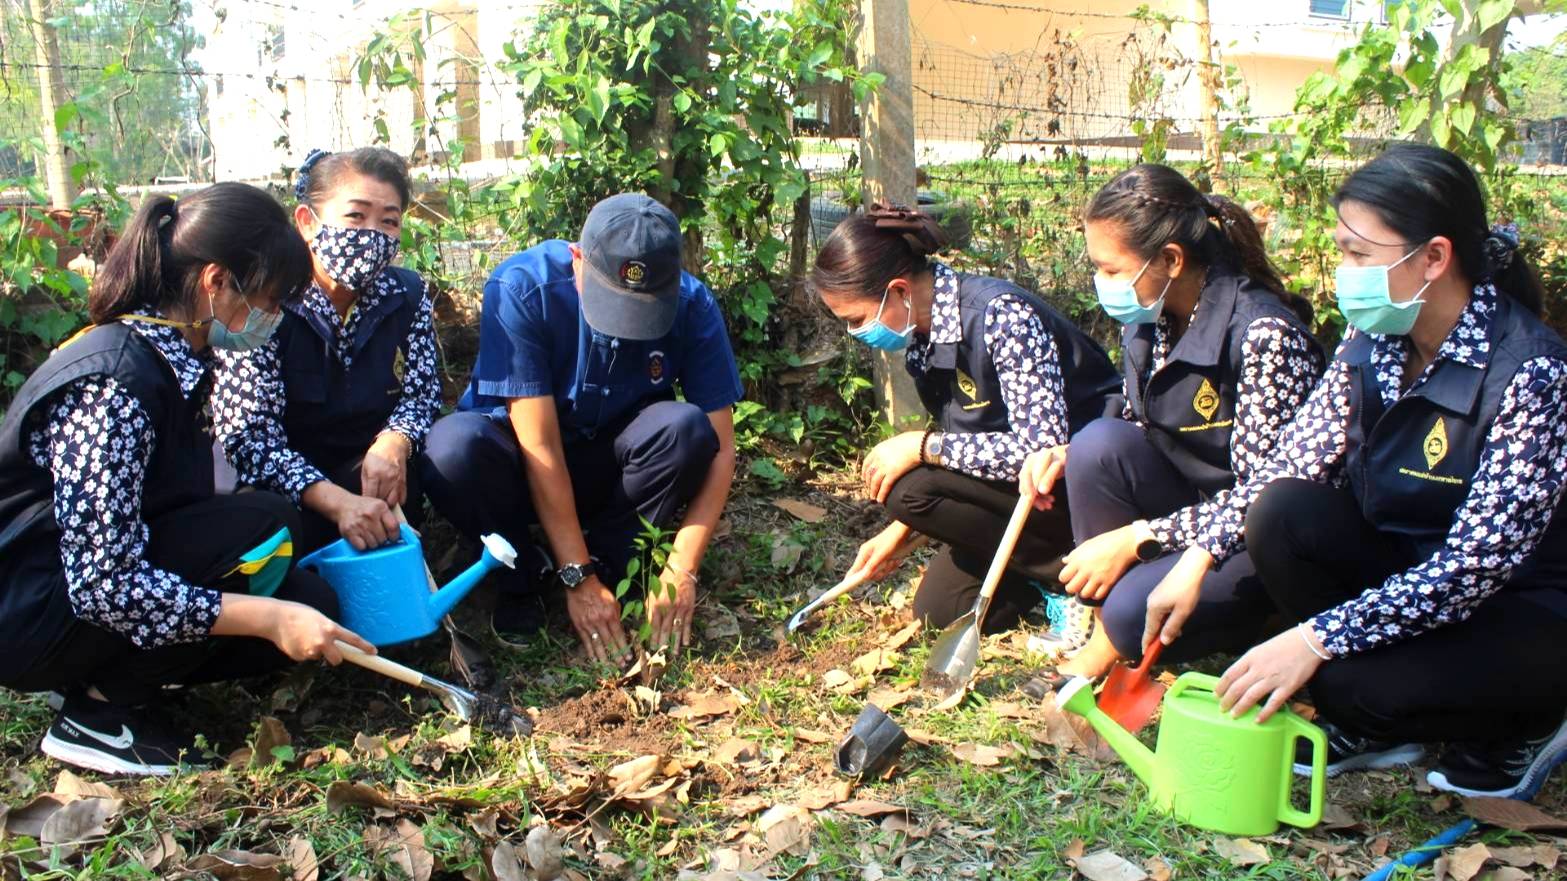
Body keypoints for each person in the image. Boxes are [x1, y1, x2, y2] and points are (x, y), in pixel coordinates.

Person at [1141, 144, 1567, 799]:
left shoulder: (1531, 372)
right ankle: (1383, 714)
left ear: (1434, 258)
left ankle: (1531, 721)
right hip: (1407, 570)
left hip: (1515, 608)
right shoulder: (1374, 339)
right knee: (1282, 511)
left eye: (1359, 254)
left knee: (1348, 684)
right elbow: (1293, 461)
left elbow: (1472, 569)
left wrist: (1316, 638)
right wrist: (1198, 555)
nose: (1345, 273)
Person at [0, 184, 375, 776]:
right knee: (264, 540)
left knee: (307, 594)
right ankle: (100, 713)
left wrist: (280, 608)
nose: (274, 318)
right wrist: (266, 618)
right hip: (34, 608)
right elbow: (102, 585)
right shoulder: (114, 387)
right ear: (216, 282)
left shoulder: (176, 360)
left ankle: (106, 672)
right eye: (269, 300)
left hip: (80, 590)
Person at [1017, 164, 1323, 682]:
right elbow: (1135, 422)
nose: (1101, 284)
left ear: (1171, 260)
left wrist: (1139, 536)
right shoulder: (1151, 316)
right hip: (1192, 510)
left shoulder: (1264, 335)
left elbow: (1265, 496)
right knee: (1095, 443)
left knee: (1130, 612)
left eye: (1111, 270)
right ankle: (1104, 633)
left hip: (1254, 537)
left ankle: (1254, 618)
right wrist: (1065, 456)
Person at [421, 193, 741, 661]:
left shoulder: (693, 303)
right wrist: (576, 575)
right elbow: (540, 446)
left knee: (687, 429)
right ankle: (523, 572)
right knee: (451, 448)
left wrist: (682, 568)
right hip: (522, 464)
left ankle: (610, 561)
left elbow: (722, 448)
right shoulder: (522, 288)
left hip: (611, 465)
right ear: (577, 258)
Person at [816, 204, 1123, 634]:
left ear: (899, 291)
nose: (857, 334)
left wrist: (922, 446)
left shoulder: (1001, 315)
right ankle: (1036, 571)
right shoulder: (922, 336)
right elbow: (971, 445)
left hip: (1083, 489)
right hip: (1021, 492)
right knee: (942, 611)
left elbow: (1042, 454)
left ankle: (1071, 576)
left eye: (857, 320)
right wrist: (902, 533)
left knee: (911, 487)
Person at [213, 148, 440, 554]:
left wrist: (395, 440)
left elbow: (421, 394)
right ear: (307, 222)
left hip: (370, 474)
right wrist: (335, 501)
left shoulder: (407, 294)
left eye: (388, 221)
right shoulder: (266, 303)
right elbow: (250, 438)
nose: (372, 234)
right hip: (288, 492)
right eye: (356, 216)